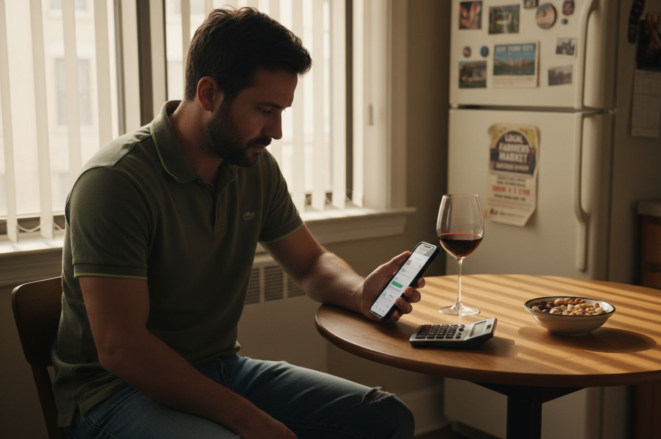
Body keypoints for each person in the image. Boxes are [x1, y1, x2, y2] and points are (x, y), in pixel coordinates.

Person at [52, 7, 422, 439]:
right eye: (265, 109)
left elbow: (310, 263)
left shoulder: (253, 167)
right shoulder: (115, 182)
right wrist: (247, 418)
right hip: (115, 393)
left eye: (282, 111)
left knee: (388, 418)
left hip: (219, 368)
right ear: (209, 93)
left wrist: (359, 292)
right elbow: (122, 349)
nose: (277, 131)